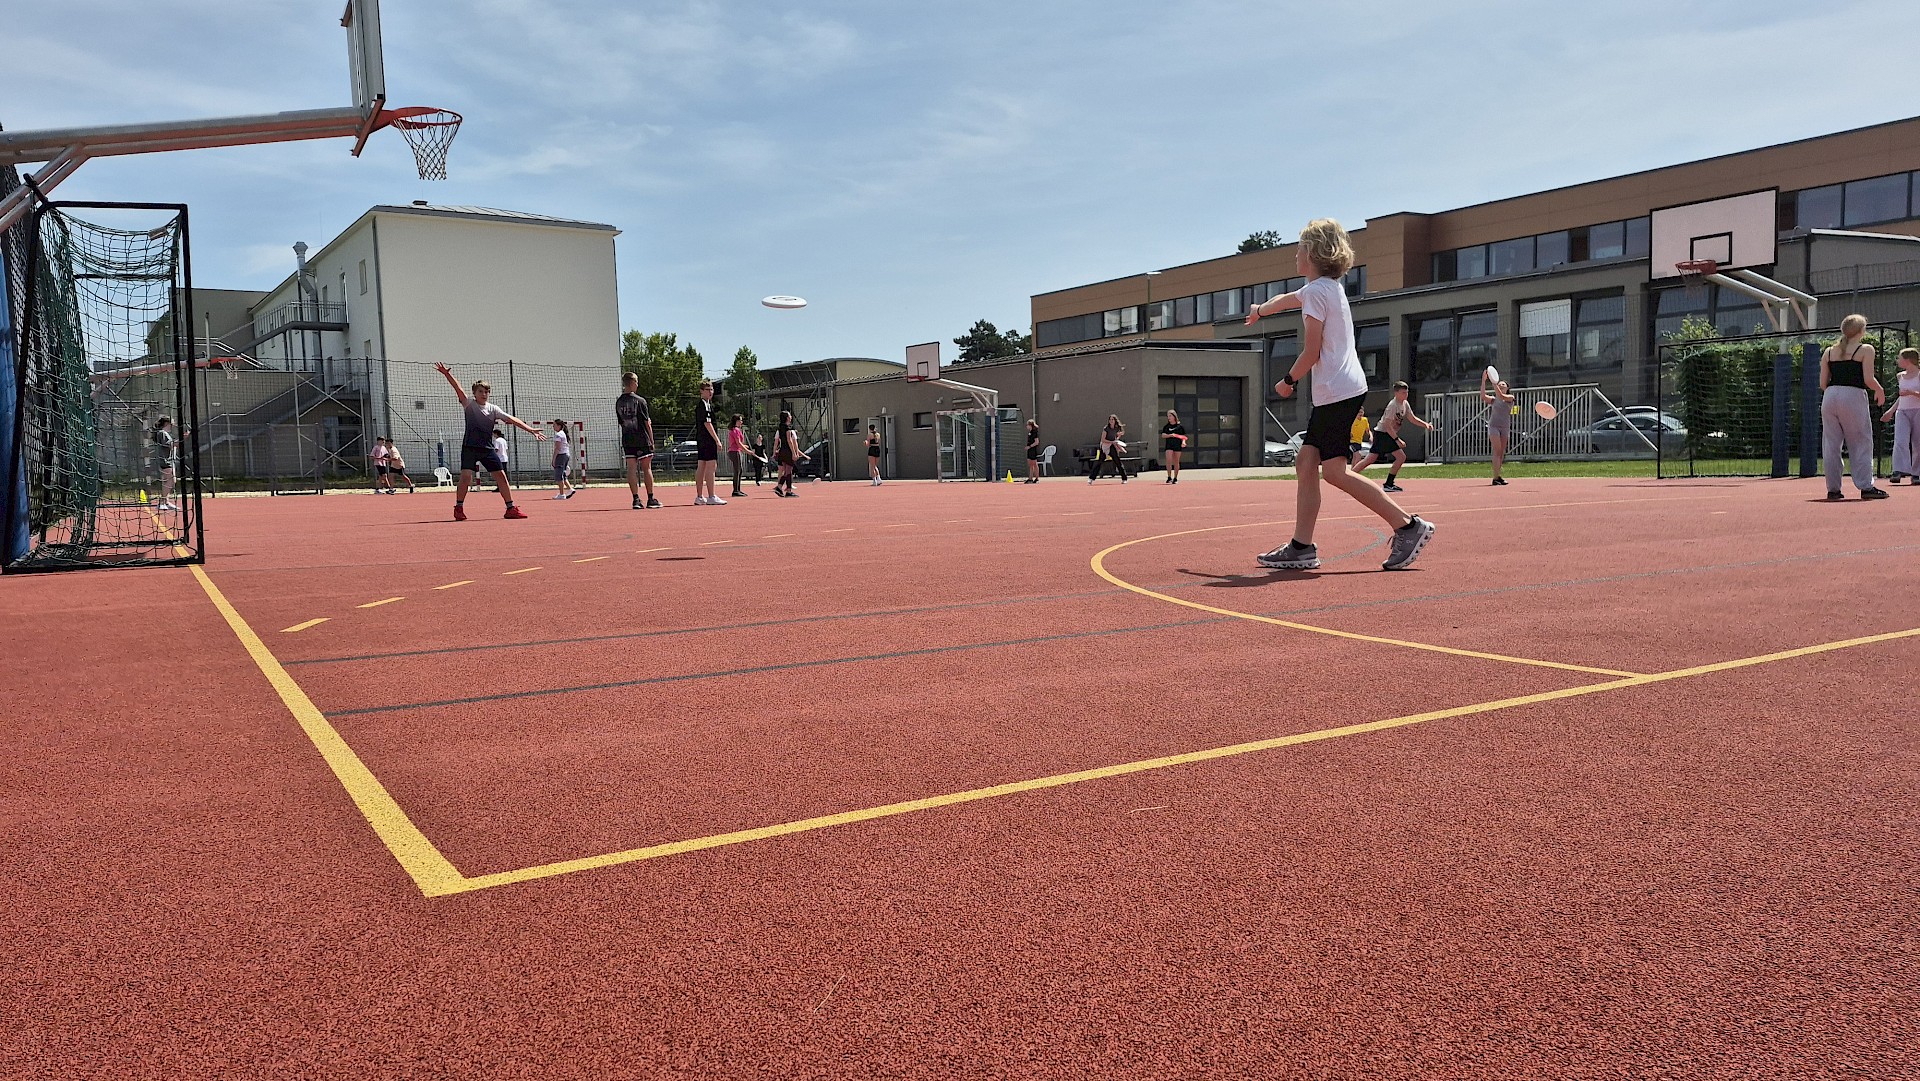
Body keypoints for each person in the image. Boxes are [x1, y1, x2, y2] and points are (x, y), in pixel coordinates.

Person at [1243, 218, 1434, 571]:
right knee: (1306, 463)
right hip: (1341, 391)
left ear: (1314, 252)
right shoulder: (1326, 288)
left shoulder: (1316, 293)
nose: (1295, 254)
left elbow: (1311, 351)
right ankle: (1301, 546)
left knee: (1333, 472)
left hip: (1337, 393)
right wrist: (1260, 311)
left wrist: (1288, 380)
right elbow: (1285, 299)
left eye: (1300, 247)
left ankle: (1408, 526)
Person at [435, 363, 545, 520]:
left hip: (487, 448)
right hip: (470, 447)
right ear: (474, 393)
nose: (484, 394)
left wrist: (530, 430)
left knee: (501, 476)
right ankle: (459, 508)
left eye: (486, 391)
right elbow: (458, 389)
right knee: (466, 478)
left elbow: (512, 419)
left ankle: (510, 508)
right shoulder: (469, 404)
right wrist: (447, 374)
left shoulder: (493, 409)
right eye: (481, 391)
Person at [1821, 313, 1889, 500]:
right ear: (1861, 331)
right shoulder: (1865, 349)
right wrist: (1879, 389)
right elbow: (1868, 378)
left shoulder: (1829, 351)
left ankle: (1833, 490)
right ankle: (1866, 487)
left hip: (1830, 395)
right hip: (1853, 394)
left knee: (1831, 444)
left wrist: (1836, 392)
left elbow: (1823, 383)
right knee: (1861, 441)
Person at [1356, 381, 1433, 493]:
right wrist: (1397, 440)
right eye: (1403, 392)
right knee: (1400, 457)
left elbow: (1412, 418)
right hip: (1383, 433)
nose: (1406, 395)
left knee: (1370, 459)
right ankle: (1388, 484)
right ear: (1396, 393)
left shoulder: (1405, 404)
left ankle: (1349, 476)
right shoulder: (1392, 405)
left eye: (1407, 392)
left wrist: (1425, 424)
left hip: (1387, 434)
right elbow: (1387, 425)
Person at [615, 372, 660, 510]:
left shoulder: (619, 402)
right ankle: (650, 498)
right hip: (642, 438)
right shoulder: (640, 401)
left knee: (631, 469)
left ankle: (635, 499)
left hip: (627, 439)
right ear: (633, 382)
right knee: (647, 468)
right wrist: (652, 440)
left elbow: (621, 422)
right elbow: (647, 422)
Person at [1882, 347, 1920, 483]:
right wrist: (1891, 411)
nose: (1898, 360)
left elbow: (1910, 394)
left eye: (1900, 358)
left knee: (1918, 443)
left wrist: (1911, 393)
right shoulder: (1900, 376)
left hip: (1917, 410)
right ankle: (1898, 470)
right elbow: (1901, 397)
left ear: (1908, 360)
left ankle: (1916, 473)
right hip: (1902, 411)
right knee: (1900, 440)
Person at [692, 379, 725, 505]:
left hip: (702, 440)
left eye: (711, 389)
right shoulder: (704, 405)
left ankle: (700, 497)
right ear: (701, 391)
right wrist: (717, 440)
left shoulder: (707, 404)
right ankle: (711, 496)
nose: (710, 392)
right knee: (711, 466)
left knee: (702, 466)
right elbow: (707, 423)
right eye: (707, 389)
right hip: (707, 440)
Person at [1481, 379, 1515, 486]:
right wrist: (1483, 381)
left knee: (1501, 453)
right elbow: (1483, 396)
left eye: (1503, 384)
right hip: (1494, 426)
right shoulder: (1494, 399)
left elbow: (1501, 396)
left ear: (1507, 387)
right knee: (1497, 450)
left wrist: (1494, 383)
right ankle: (1495, 478)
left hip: (1504, 427)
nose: (1501, 386)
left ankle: (1498, 476)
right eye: (1499, 384)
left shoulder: (1510, 398)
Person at [773, 410, 808, 497]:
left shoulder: (780, 428)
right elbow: (789, 441)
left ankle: (784, 488)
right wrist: (794, 453)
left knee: (787, 471)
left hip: (782, 451)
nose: (791, 417)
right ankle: (783, 488)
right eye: (789, 416)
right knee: (788, 471)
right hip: (787, 451)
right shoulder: (788, 428)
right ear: (787, 418)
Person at [148, 416, 177, 512]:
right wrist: (183, 439)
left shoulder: (164, 433)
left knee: (169, 480)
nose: (173, 425)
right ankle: (162, 502)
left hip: (168, 460)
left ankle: (166, 502)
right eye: (172, 423)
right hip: (165, 461)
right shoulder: (162, 433)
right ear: (167, 423)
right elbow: (170, 445)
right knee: (171, 480)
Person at [1089, 414, 1130, 484]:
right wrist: (1112, 442)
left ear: (1115, 420)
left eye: (1112, 419)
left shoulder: (1116, 428)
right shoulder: (1106, 428)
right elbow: (1103, 439)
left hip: (1111, 446)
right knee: (1099, 462)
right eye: (1110, 419)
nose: (1111, 421)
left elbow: (1116, 438)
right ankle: (1091, 478)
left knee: (1117, 461)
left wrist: (1118, 437)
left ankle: (1124, 478)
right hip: (1104, 446)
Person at [1161, 410, 1189, 483]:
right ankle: (1169, 477)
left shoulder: (1180, 427)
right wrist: (1170, 435)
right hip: (1169, 445)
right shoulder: (1166, 427)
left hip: (1177, 445)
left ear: (1174, 416)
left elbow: (1183, 437)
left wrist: (1183, 442)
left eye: (1170, 416)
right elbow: (1163, 435)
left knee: (1176, 461)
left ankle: (1175, 478)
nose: (1169, 418)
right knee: (1169, 459)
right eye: (1168, 416)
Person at [550, 420, 575, 500]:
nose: (553, 427)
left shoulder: (558, 435)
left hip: (561, 455)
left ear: (559, 426)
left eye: (554, 425)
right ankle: (570, 489)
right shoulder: (563, 434)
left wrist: (553, 459)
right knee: (563, 474)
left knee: (559, 475)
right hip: (566, 455)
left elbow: (557, 448)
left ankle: (562, 494)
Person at [727, 415, 752, 497]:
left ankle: (737, 489)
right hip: (734, 452)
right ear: (736, 421)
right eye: (740, 420)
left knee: (739, 470)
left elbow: (738, 443)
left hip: (735, 451)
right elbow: (738, 443)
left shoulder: (734, 430)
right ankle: (735, 491)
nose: (741, 422)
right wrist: (747, 451)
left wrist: (744, 447)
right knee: (737, 471)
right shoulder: (736, 430)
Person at [1025, 418, 1042, 483]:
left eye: (1027, 425)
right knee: (1030, 464)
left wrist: (1030, 446)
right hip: (1030, 450)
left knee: (1034, 464)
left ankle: (1036, 478)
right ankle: (1030, 478)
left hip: (1033, 450)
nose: (1026, 426)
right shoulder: (1030, 432)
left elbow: (1036, 442)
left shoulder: (1034, 432)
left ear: (1030, 425)